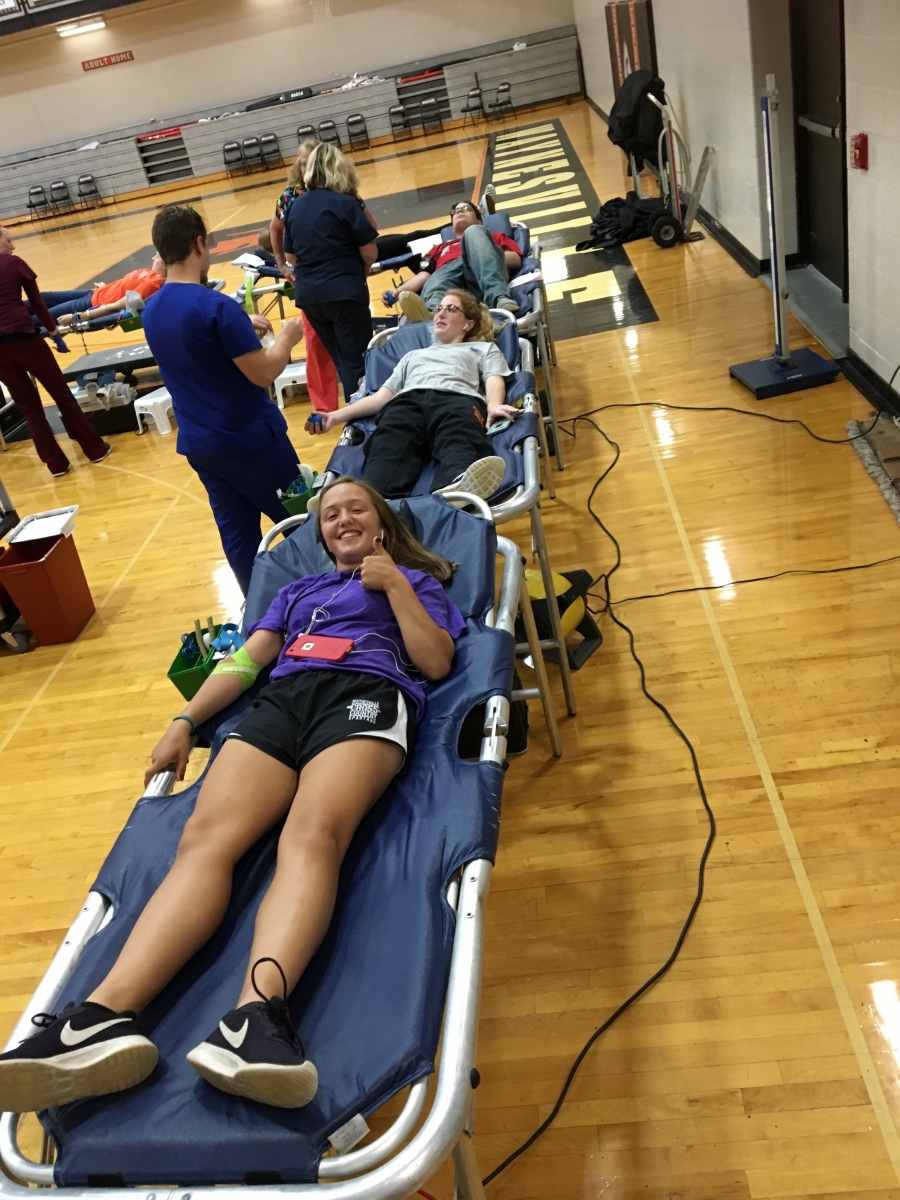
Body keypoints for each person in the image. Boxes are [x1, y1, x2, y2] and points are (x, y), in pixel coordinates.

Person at [0, 478, 465, 1113]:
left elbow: (436, 662)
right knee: (204, 841)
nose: (342, 518)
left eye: (356, 508)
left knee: (312, 835)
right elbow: (247, 663)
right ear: (322, 533)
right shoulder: (298, 592)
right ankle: (100, 1020)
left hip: (365, 693)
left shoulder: (416, 584)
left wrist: (395, 586)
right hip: (283, 703)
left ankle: (255, 1020)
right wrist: (185, 722)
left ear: (380, 522)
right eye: (330, 514)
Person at [142, 204, 307, 596]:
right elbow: (264, 373)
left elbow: (193, 342)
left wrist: (237, 324)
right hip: (250, 440)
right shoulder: (217, 307)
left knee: (239, 538)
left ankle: (260, 616)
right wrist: (287, 338)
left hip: (203, 446)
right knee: (302, 523)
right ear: (199, 243)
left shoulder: (152, 309)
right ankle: (331, 596)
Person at [308, 289, 517, 503]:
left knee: (458, 434)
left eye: (451, 309)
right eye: (438, 309)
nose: (440, 314)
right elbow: (381, 398)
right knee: (390, 440)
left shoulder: (482, 348)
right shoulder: (413, 356)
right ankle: (370, 500)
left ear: (468, 324)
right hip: (407, 403)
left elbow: (494, 378)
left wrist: (493, 405)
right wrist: (334, 416)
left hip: (457, 400)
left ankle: (457, 487)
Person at [0, 225, 111, 478]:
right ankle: (95, 450)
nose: (13, 245)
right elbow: (37, 303)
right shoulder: (14, 264)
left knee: (29, 408)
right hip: (25, 340)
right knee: (62, 395)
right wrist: (54, 334)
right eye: (9, 240)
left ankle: (56, 465)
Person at [283, 143, 378, 403]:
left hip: (310, 297)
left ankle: (351, 415)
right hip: (344, 291)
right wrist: (363, 268)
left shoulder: (295, 206)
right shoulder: (346, 203)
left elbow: (290, 256)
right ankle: (362, 422)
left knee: (340, 359)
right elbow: (370, 252)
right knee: (358, 360)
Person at [383, 201, 521, 323]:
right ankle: (433, 313)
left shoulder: (494, 237)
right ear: (452, 227)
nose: (459, 211)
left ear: (479, 221)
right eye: (455, 211)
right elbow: (423, 276)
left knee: (473, 232)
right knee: (437, 277)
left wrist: (482, 253)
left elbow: (516, 260)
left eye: (466, 208)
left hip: (479, 279)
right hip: (449, 282)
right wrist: (397, 292)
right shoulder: (439, 248)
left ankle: (498, 297)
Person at [37, 254, 167, 326]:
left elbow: (118, 306)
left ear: (165, 264)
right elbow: (124, 286)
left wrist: (79, 316)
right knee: (42, 298)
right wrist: (106, 287)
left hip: (91, 304)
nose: (152, 258)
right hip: (94, 293)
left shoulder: (153, 283)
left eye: (156, 257)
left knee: (41, 318)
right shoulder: (151, 273)